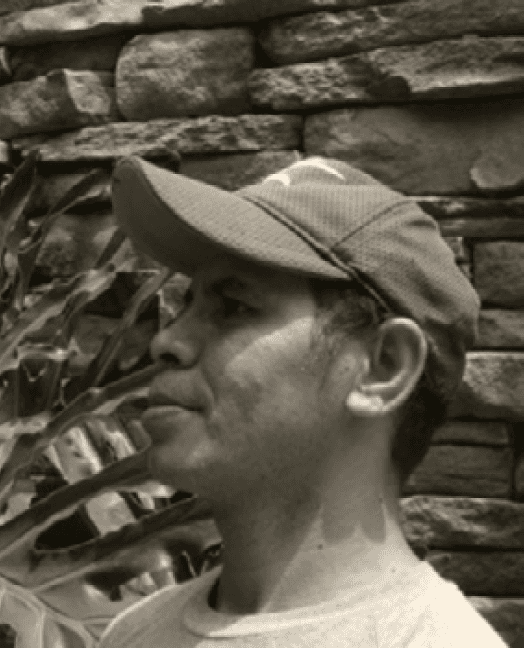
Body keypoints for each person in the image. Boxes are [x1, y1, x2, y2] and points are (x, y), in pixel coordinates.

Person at [100, 156, 508, 647]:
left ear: (383, 368)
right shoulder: (135, 634)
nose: (166, 341)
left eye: (234, 306)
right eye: (188, 304)